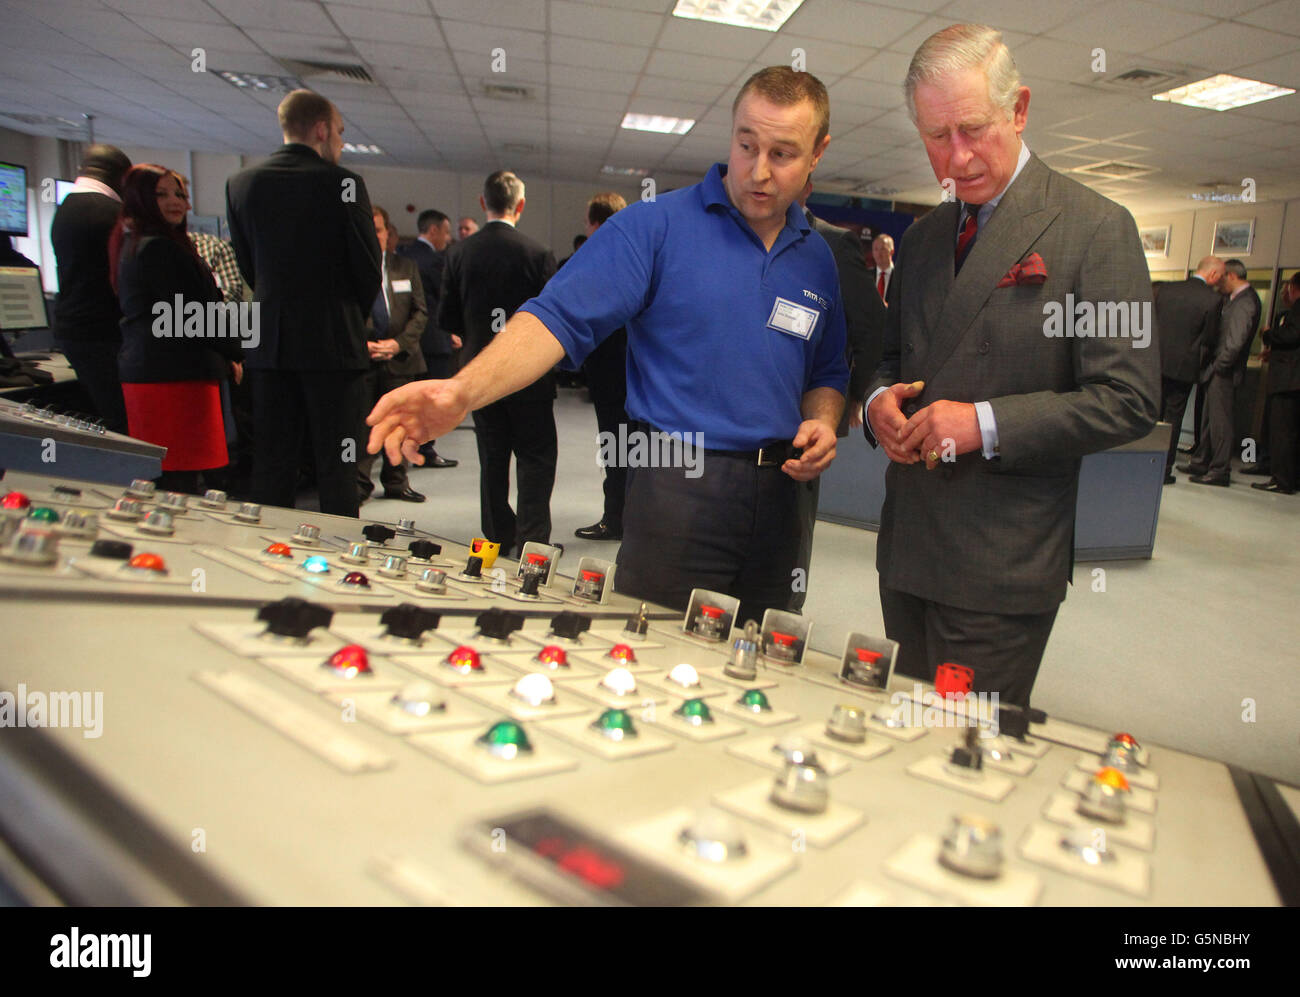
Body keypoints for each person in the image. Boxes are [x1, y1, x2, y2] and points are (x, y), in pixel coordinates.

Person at [368, 67, 849, 623]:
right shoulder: (655, 227)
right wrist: (462, 391)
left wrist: (823, 418)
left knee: (762, 659)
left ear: (818, 153)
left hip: (785, 501)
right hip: (680, 485)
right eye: (746, 145)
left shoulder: (817, 257)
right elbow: (554, 319)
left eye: (783, 154)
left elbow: (828, 369)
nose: (758, 171)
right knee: (653, 649)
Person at [864, 24, 1159, 707]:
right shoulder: (926, 235)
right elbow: (888, 359)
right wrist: (877, 401)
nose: (956, 156)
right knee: (908, 732)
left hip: (1002, 559)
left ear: (1020, 109)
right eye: (936, 135)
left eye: (973, 128)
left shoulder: (1095, 228)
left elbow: (1129, 396)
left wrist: (982, 424)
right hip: (907, 547)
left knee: (964, 745)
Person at [225, 89, 382, 517]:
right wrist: (350, 317)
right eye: (341, 133)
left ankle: (268, 556)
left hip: (271, 346)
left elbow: (248, 267)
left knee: (273, 463)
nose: (341, 144)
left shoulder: (241, 183)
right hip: (333, 346)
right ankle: (339, 554)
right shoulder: (345, 185)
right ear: (321, 129)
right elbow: (368, 266)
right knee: (338, 464)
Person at [438, 170, 558, 550]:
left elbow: (448, 318)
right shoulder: (538, 254)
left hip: (479, 372)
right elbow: (553, 318)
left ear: (482, 202)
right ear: (520, 205)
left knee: (492, 455)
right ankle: (532, 540)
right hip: (529, 373)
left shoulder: (458, 253)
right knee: (536, 457)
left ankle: (497, 536)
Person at [109, 165, 244, 494]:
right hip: (171, 379)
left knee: (177, 478)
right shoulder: (158, 247)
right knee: (177, 480)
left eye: (180, 194)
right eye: (162, 194)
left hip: (164, 374)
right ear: (140, 198)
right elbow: (193, 317)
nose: (175, 201)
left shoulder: (141, 242)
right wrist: (246, 350)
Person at [49, 144, 133, 432]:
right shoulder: (111, 215)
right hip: (105, 335)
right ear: (122, 178)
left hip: (76, 332)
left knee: (114, 418)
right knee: (129, 426)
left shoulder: (66, 209)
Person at [357, 205, 427, 503]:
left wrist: (398, 344)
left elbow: (420, 312)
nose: (376, 236)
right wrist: (363, 344)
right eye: (370, 231)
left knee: (401, 423)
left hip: (401, 359)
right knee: (366, 423)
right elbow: (343, 315)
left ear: (389, 232)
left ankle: (397, 482)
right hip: (365, 360)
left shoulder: (405, 267)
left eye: (380, 229)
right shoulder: (352, 271)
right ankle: (359, 484)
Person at [573, 192, 630, 543]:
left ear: (594, 223)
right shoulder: (640, 256)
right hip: (643, 373)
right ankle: (637, 519)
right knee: (642, 449)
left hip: (610, 372)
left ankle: (615, 520)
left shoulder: (593, 260)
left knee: (616, 448)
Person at [1181, 259, 1261, 486]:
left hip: (1224, 373)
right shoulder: (1233, 300)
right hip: (1218, 370)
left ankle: (1219, 470)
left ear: (1232, 276)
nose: (1218, 282)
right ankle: (1201, 462)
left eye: (1222, 277)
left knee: (1220, 422)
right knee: (1208, 420)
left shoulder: (1246, 302)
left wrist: (1219, 367)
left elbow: (1235, 342)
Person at [397, 208, 460, 467]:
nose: (447, 238)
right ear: (433, 230)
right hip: (433, 339)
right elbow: (444, 301)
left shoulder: (403, 257)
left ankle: (405, 447)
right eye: (445, 232)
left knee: (410, 399)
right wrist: (454, 331)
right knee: (431, 399)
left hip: (407, 340)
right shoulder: (434, 261)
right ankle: (426, 451)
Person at [1154, 256, 1223, 483]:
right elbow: (1211, 338)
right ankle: (1163, 470)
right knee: (1173, 419)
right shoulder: (1212, 300)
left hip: (1156, 361)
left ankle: (1140, 461)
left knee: (1151, 412)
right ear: (1212, 275)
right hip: (1184, 368)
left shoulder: (1166, 290)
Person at [1254, 273, 1300, 494]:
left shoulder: (1298, 309)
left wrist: (1269, 334)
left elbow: (1291, 335)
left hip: (1289, 381)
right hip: (1292, 381)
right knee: (1289, 432)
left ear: (1293, 287)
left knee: (1283, 432)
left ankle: (1281, 480)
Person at [867, 233, 895, 304]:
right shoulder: (866, 276)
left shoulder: (900, 276)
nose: (879, 254)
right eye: (876, 249)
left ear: (892, 251)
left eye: (883, 249)